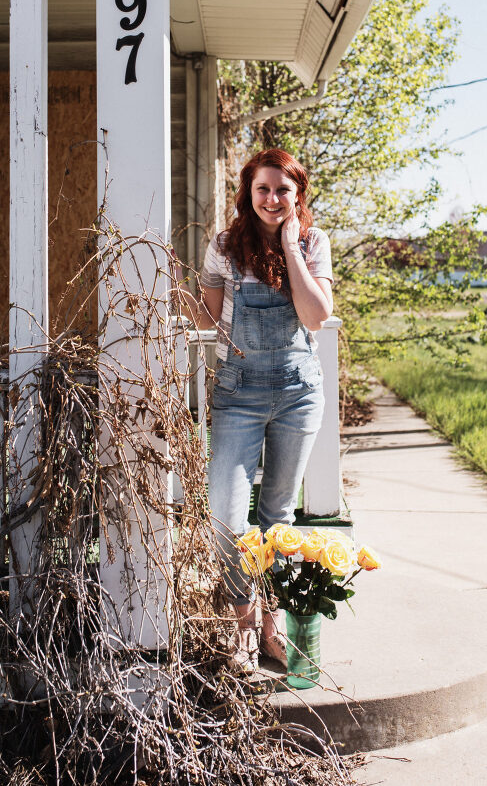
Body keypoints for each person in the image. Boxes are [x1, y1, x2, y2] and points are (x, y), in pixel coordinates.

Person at [175, 148, 333, 671]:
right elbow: (208, 317)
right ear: (248, 192)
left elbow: (314, 317)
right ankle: (243, 621)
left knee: (277, 516)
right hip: (238, 392)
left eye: (282, 190)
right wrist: (176, 289)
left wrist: (289, 247)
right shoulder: (224, 246)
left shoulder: (313, 243)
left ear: (297, 195)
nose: (272, 199)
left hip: (296, 392)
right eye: (263, 189)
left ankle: (269, 626)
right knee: (226, 513)